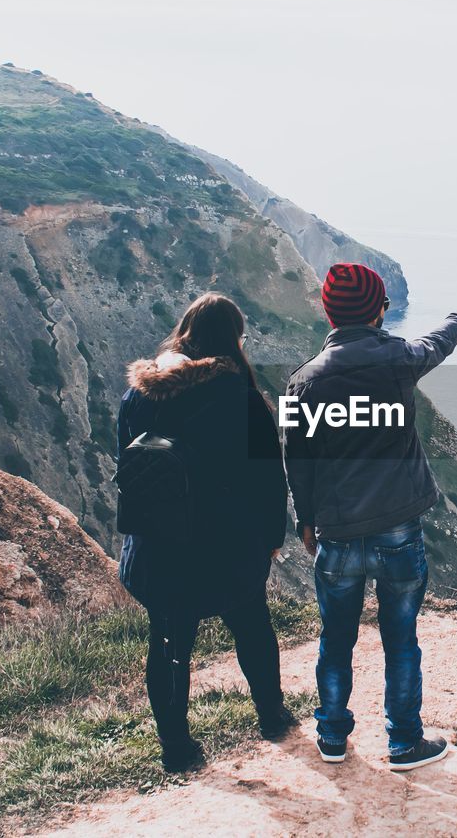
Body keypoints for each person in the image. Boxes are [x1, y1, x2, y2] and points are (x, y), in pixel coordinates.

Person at [283, 263, 457, 771]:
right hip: (398, 525)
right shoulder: (397, 359)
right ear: (379, 308)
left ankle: (331, 738)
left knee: (335, 640)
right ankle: (403, 743)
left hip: (336, 532)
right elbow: (437, 342)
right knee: (401, 640)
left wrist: (305, 519)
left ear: (327, 310)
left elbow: (295, 461)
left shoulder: (300, 383)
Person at [117, 292, 297, 772]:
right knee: (252, 626)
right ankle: (272, 717)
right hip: (225, 547)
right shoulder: (240, 398)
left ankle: (176, 748)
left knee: (168, 641)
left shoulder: (139, 394)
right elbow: (268, 479)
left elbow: (126, 463)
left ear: (184, 335)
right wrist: (272, 537)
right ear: (233, 341)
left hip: (157, 544)